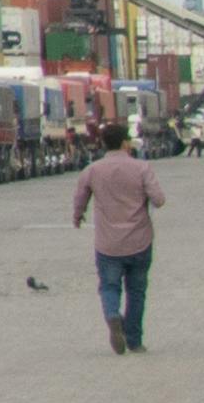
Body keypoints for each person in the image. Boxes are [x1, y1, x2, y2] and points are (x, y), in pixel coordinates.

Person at [66, 120, 166, 352]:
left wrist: (77, 216)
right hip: (140, 240)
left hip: (107, 243)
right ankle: (134, 340)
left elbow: (80, 197)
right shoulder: (141, 168)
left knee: (109, 287)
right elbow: (159, 199)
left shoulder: (92, 170)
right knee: (137, 291)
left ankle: (112, 316)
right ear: (124, 142)